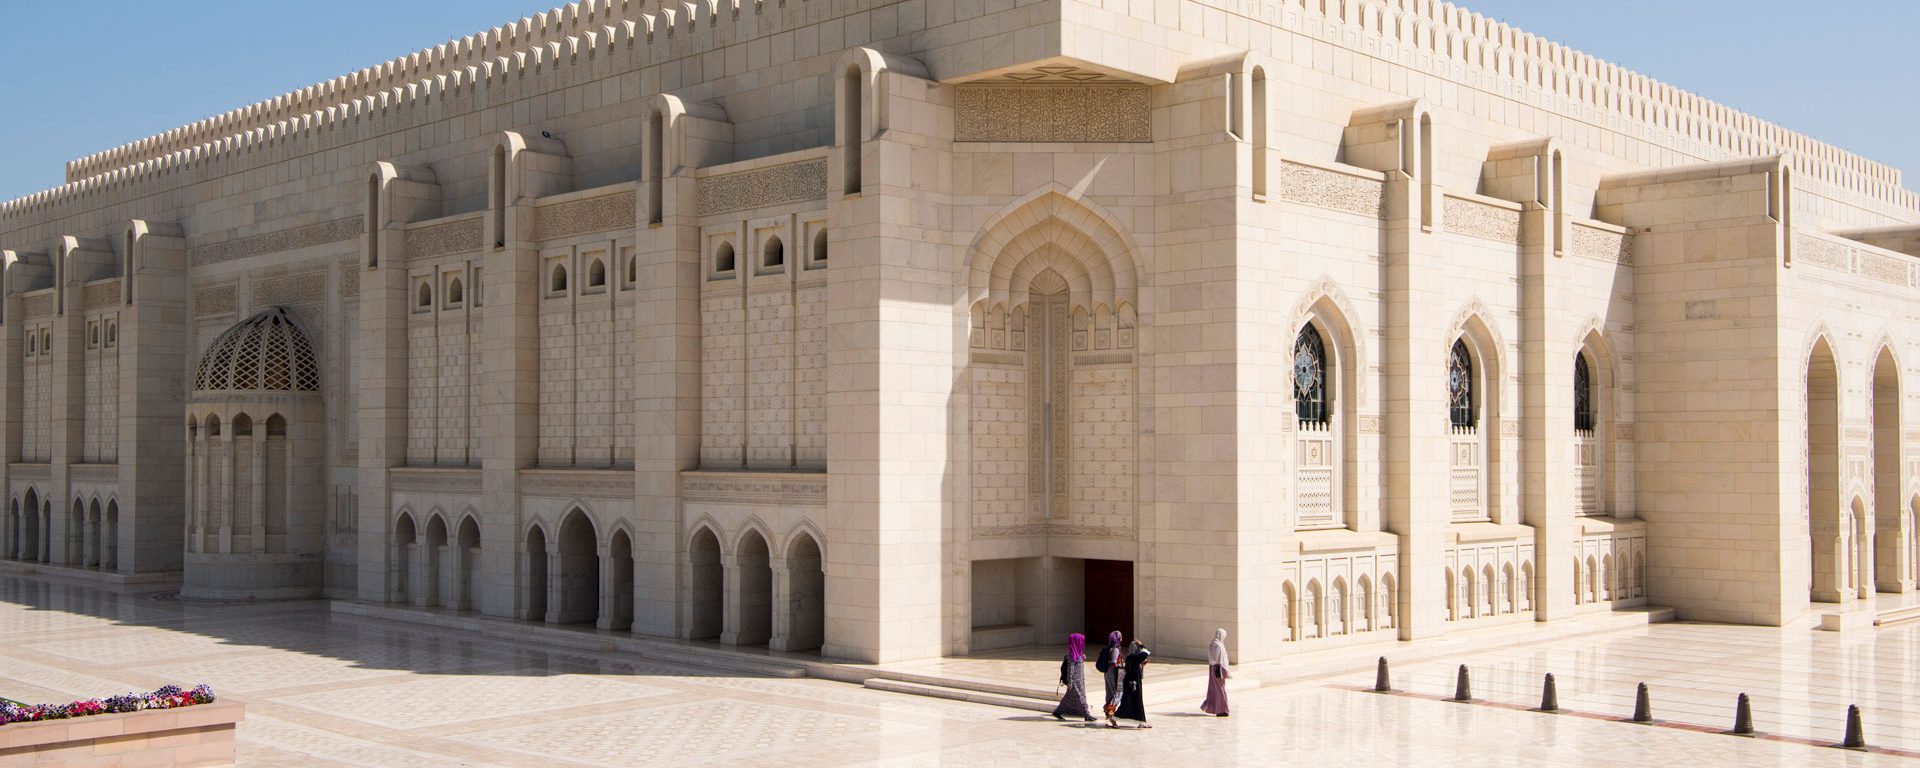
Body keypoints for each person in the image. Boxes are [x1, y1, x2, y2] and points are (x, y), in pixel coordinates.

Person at [1051, 632, 1096, 721]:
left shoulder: (1078, 654)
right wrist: (1070, 682)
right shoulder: (1072, 656)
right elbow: (1070, 669)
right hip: (1075, 682)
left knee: (1068, 698)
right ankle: (1087, 715)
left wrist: (1082, 658)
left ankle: (1057, 711)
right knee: (1081, 697)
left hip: (1080, 681)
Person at [1111, 639, 1152, 729]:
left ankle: (1142, 722)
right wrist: (1141, 645)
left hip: (1135, 682)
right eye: (1138, 647)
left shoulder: (1133, 658)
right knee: (1127, 702)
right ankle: (1114, 718)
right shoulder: (1132, 657)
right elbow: (1146, 653)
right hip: (1132, 683)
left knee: (1137, 701)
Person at [1095, 631, 1126, 727]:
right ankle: (1109, 710)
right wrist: (1122, 665)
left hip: (1108, 673)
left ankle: (1109, 716)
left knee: (1110, 693)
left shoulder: (1110, 648)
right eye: (1120, 637)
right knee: (1118, 693)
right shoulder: (1115, 649)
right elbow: (1113, 662)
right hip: (1116, 674)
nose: (1121, 638)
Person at [1200, 628, 1230, 716]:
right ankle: (1222, 710)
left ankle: (1213, 708)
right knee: (1220, 689)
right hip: (1218, 668)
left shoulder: (1212, 644)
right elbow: (1220, 659)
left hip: (1213, 668)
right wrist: (1225, 671)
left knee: (1214, 688)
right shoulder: (1219, 646)